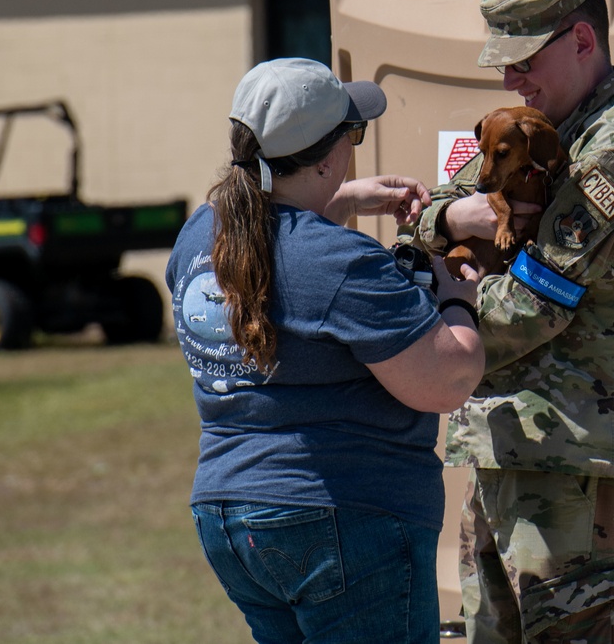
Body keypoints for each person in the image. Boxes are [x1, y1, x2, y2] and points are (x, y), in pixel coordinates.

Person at [407, 0, 614, 641]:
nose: (512, 79)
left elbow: (533, 306)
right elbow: (425, 217)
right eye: (504, 63)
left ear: (581, 40)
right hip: (512, 445)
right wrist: (451, 218)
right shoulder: (544, 132)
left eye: (524, 59)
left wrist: (421, 319)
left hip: (578, 465)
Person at [165, 57, 485, 644]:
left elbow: (284, 269)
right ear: (326, 157)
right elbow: (447, 380)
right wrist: (458, 297)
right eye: (351, 134)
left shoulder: (199, 235)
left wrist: (341, 201)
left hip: (231, 518)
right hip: (343, 518)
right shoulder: (340, 262)